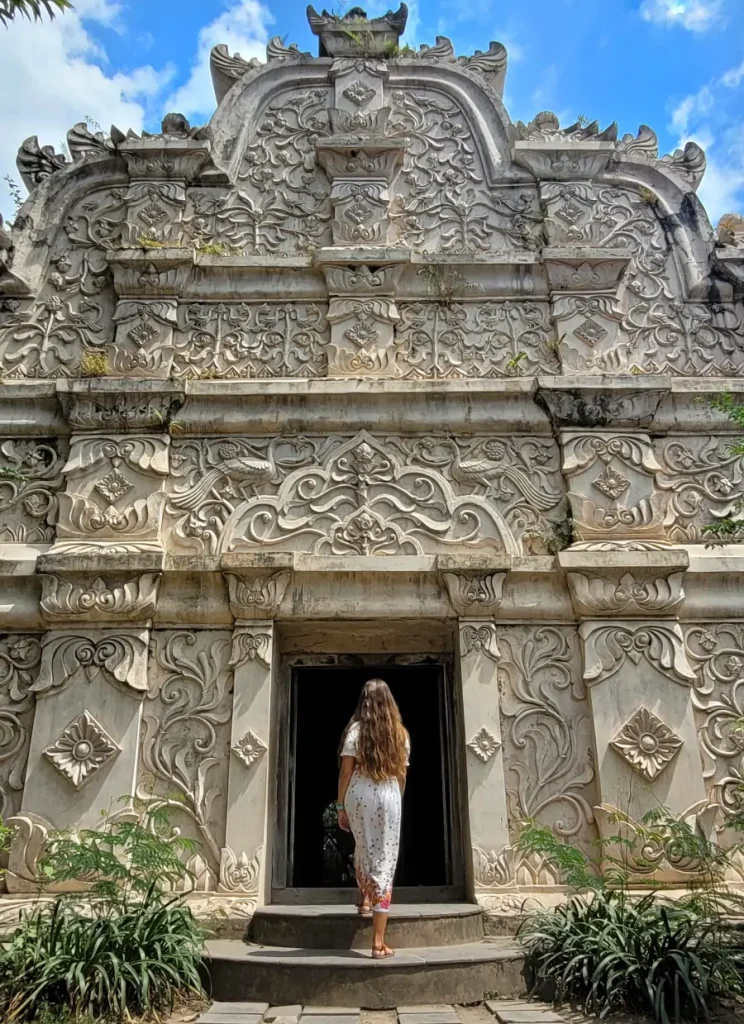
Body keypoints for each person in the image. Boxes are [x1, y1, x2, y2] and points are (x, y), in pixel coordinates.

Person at [336, 678, 410, 959]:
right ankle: (378, 942)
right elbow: (402, 774)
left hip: (359, 793)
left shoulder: (355, 731)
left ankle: (365, 898)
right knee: (385, 858)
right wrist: (397, 800)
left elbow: (345, 772)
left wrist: (341, 806)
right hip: (388, 793)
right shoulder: (399, 733)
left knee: (364, 848)